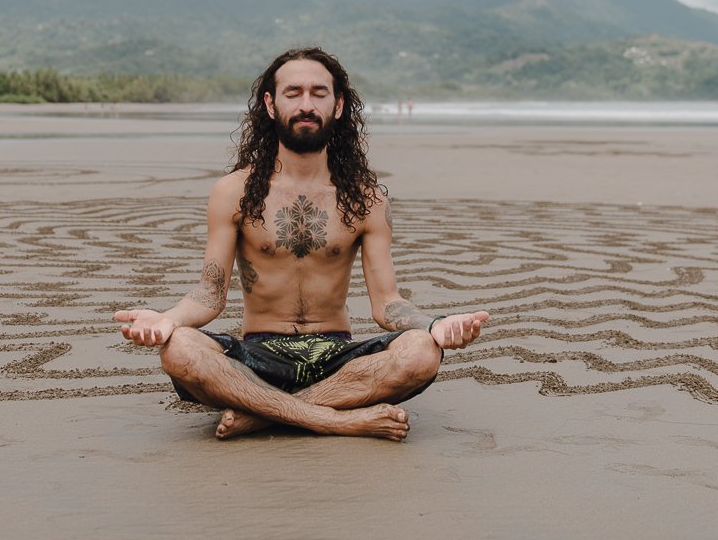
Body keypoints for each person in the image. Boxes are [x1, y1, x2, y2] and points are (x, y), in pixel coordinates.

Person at [114, 47, 489, 441]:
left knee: (422, 352)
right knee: (179, 350)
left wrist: (434, 325)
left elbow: (388, 304)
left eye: (319, 93)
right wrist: (168, 320)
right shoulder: (233, 192)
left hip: (337, 356)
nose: (306, 104)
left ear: (339, 105)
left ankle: (261, 414)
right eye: (293, 93)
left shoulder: (366, 199)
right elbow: (210, 295)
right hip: (257, 354)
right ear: (271, 105)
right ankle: (337, 419)